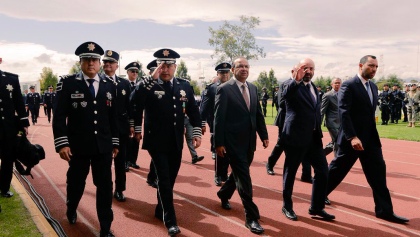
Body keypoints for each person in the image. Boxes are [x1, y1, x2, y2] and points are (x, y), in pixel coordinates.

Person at [326, 55, 409, 224]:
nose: (374, 69)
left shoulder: (372, 86)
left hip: (370, 140)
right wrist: (352, 136)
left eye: (376, 67)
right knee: (336, 171)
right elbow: (344, 112)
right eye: (371, 66)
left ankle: (385, 211)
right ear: (361, 65)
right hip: (352, 140)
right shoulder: (348, 85)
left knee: (378, 174)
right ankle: (317, 197)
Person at [132, 48, 202, 236]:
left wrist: (197, 131)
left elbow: (194, 111)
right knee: (163, 178)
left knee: (170, 179)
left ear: (175, 67)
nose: (165, 69)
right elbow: (135, 101)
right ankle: (170, 220)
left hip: (176, 141)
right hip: (156, 141)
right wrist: (149, 80)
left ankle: (159, 209)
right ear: (156, 67)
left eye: (169, 65)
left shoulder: (184, 85)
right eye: (161, 65)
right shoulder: (148, 85)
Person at [52, 41, 119, 237]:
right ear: (80, 62)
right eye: (87, 59)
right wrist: (62, 143)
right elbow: (59, 115)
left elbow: (113, 116)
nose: (91, 63)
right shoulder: (68, 83)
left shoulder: (109, 85)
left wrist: (115, 142)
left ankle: (105, 227)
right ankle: (71, 207)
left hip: (103, 147)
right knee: (76, 183)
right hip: (78, 147)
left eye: (94, 60)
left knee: (105, 187)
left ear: (99, 63)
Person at [214, 57, 268, 234]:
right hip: (232, 142)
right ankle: (251, 217)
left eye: (246, 66)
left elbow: (257, 114)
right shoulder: (224, 89)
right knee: (244, 178)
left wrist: (264, 135)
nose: (244, 69)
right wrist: (219, 143)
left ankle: (223, 193)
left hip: (249, 142)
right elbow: (219, 118)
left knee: (237, 174)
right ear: (232, 69)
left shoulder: (253, 88)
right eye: (240, 66)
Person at [280, 58, 334, 221]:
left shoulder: (313, 88)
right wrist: (296, 81)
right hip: (295, 137)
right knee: (290, 173)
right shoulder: (289, 85)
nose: (308, 71)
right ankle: (287, 206)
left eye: (311, 68)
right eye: (304, 68)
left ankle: (316, 208)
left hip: (314, 138)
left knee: (323, 172)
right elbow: (284, 99)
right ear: (296, 70)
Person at [266, 65, 313, 184]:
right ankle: (270, 164)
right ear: (293, 72)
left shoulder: (307, 85)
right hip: (286, 120)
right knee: (281, 144)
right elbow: (282, 103)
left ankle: (306, 174)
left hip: (302, 123)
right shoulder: (285, 84)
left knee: (306, 146)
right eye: (300, 70)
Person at [103, 50, 131, 202]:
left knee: (121, 161)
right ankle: (106, 188)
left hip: (121, 129)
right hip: (104, 129)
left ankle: (119, 189)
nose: (107, 64)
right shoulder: (98, 81)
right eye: (105, 62)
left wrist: (132, 125)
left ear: (116, 65)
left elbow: (129, 106)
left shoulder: (124, 83)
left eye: (111, 62)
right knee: (105, 162)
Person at [200, 62, 231, 186]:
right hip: (217, 123)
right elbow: (204, 107)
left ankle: (224, 174)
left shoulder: (233, 86)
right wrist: (201, 123)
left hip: (231, 124)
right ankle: (218, 174)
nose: (225, 75)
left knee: (228, 152)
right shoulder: (211, 88)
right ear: (217, 74)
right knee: (219, 151)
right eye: (222, 72)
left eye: (227, 72)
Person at [0, 69, 29, 201]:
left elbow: (19, 102)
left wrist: (24, 123)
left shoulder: (11, 79)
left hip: (8, 128)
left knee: (8, 160)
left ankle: (5, 188)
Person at [125, 62, 141, 171]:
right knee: (127, 140)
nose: (134, 73)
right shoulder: (123, 84)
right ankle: (125, 161)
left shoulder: (140, 85)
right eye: (132, 71)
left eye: (136, 71)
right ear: (128, 72)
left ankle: (133, 161)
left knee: (137, 139)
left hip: (137, 117)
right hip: (126, 118)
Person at [321, 78, 342, 157]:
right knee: (337, 141)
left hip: (341, 122)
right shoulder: (327, 95)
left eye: (339, 83)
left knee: (335, 141)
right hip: (331, 122)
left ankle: (320, 156)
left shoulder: (343, 94)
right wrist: (318, 124)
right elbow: (322, 111)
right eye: (336, 83)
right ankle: (337, 160)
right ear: (332, 84)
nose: (337, 85)